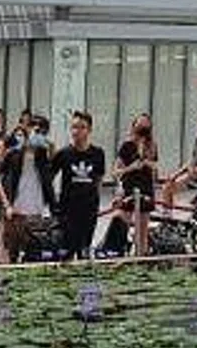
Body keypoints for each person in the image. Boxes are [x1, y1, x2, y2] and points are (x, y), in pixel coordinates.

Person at [0, 116, 57, 263]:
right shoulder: (13, 153)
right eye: (33, 128)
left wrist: (46, 143)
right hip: (15, 211)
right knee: (11, 254)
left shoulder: (42, 155)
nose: (35, 133)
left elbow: (53, 163)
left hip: (36, 212)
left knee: (34, 253)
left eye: (40, 131)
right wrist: (7, 205)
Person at [51, 111, 107, 260]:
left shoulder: (98, 153)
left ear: (89, 130)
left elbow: (99, 178)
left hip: (89, 209)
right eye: (74, 127)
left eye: (82, 127)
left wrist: (95, 199)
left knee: (84, 250)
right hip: (68, 210)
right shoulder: (64, 153)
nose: (77, 131)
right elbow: (48, 176)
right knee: (67, 251)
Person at [113, 113, 158, 256]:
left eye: (146, 127)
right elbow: (115, 172)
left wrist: (148, 163)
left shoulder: (152, 146)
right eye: (140, 126)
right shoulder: (127, 146)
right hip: (129, 189)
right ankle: (118, 253)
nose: (142, 130)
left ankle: (141, 257)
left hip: (145, 189)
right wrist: (131, 167)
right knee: (121, 225)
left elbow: (155, 169)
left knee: (142, 231)